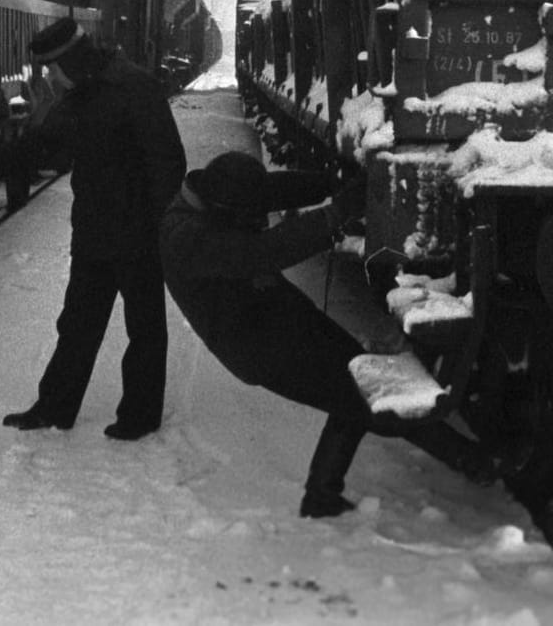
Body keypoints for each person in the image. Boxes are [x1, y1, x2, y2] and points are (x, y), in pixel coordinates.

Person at [160, 150, 497, 518]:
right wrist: (334, 214)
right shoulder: (186, 237)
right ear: (224, 205)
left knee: (357, 380)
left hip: (272, 312)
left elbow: (271, 189)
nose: (259, 218)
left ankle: (323, 494)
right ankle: (474, 461)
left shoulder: (216, 196)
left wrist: (334, 185)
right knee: (365, 396)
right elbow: (262, 251)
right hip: (254, 344)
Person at [2, 17, 187, 440]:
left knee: (144, 327)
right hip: (94, 230)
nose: (49, 77)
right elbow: (47, 146)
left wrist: (163, 225)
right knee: (78, 323)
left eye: (52, 68)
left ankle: (140, 415)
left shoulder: (135, 89)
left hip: (139, 234)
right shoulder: (80, 94)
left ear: (70, 60)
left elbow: (167, 162)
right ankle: (54, 407)